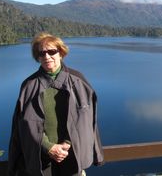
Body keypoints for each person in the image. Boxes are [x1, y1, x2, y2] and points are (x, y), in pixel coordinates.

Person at [8, 32, 104, 176]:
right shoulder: (29, 85)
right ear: (37, 57)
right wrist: (49, 147)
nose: (47, 56)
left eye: (52, 51)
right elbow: (24, 124)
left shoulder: (77, 80)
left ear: (61, 53)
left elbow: (86, 118)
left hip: (72, 156)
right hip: (41, 159)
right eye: (42, 53)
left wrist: (67, 143)